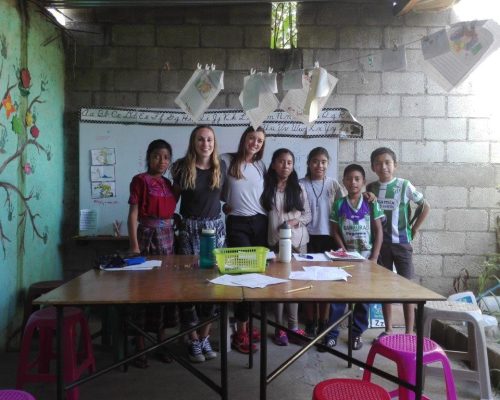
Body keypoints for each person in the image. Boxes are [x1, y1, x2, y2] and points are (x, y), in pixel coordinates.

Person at [171, 125, 226, 363]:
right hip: (190, 231)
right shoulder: (181, 167)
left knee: (213, 287)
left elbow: (223, 198)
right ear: (194, 142)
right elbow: (171, 198)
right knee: (189, 287)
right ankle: (192, 339)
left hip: (215, 231)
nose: (205, 144)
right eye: (201, 139)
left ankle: (205, 337)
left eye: (209, 139)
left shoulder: (220, 167)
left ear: (214, 143)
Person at [367, 147, 430, 337]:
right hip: (381, 245)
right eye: (378, 163)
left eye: (387, 162)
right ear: (373, 167)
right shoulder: (371, 188)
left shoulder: (404, 185)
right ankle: (388, 329)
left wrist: (414, 228)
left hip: (402, 244)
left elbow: (425, 206)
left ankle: (410, 333)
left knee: (406, 288)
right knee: (385, 288)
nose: (383, 166)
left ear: (395, 165)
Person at [127, 139, 179, 368]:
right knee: (142, 292)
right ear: (149, 157)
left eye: (166, 157)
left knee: (164, 292)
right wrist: (134, 245)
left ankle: (160, 341)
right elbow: (133, 214)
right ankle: (139, 345)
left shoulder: (169, 184)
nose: (162, 161)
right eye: (157, 156)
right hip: (146, 237)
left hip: (168, 239)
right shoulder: (140, 181)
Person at [321, 164, 384, 351]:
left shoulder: (371, 202)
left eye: (357, 179)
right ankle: (332, 334)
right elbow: (334, 231)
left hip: (366, 258)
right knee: (339, 297)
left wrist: (374, 257)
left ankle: (356, 334)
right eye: (349, 179)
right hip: (345, 259)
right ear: (344, 182)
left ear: (363, 182)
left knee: (363, 299)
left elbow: (378, 231)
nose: (353, 182)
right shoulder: (339, 203)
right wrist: (342, 251)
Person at [221, 126, 267, 354]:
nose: (255, 143)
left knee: (256, 276)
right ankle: (240, 332)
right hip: (237, 224)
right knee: (244, 276)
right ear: (244, 139)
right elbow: (218, 190)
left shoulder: (261, 166)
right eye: (252, 138)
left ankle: (246, 324)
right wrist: (225, 204)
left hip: (260, 223)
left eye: (259, 140)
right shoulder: (227, 160)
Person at [261, 148, 311, 346]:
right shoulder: (265, 187)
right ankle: (279, 328)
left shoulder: (298, 188)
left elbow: (308, 215)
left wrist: (292, 223)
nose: (285, 166)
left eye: (289, 162)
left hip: (298, 242)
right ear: (273, 164)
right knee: (279, 287)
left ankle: (293, 326)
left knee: (295, 286)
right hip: (275, 243)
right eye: (281, 161)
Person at [299, 147, 343, 338]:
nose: (320, 165)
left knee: (326, 282)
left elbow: (347, 206)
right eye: (315, 161)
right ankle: (310, 321)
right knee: (308, 282)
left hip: (329, 238)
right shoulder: (300, 184)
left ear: (328, 164)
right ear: (309, 163)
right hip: (307, 238)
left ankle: (324, 322)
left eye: (324, 161)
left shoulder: (333, 185)